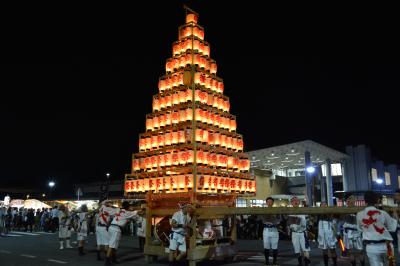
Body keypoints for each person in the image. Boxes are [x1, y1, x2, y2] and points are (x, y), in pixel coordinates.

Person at [357, 190, 398, 266]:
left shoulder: (359, 215)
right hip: (386, 245)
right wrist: (395, 215)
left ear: (365, 200)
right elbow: (392, 228)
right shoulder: (382, 213)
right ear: (377, 200)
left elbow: (360, 229)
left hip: (371, 247)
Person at [105, 201, 139, 265]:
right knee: (112, 245)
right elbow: (136, 212)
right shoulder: (127, 213)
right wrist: (141, 209)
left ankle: (113, 259)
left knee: (114, 245)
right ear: (128, 206)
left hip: (111, 227)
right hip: (116, 229)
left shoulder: (118, 210)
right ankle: (107, 260)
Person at [287, 196, 311, 266]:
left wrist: (307, 200)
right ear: (291, 202)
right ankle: (300, 262)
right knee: (296, 249)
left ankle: (307, 261)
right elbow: (289, 223)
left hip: (303, 233)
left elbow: (307, 216)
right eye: (293, 200)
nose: (295, 201)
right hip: (294, 233)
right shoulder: (289, 211)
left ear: (299, 202)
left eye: (297, 200)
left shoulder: (303, 210)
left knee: (305, 249)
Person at [343, 195, 365, 266]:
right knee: (350, 252)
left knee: (360, 250)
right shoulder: (343, 209)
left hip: (356, 231)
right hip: (348, 232)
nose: (350, 200)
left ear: (355, 200)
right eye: (348, 199)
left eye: (352, 199)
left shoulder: (359, 209)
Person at [261, 197, 280, 265]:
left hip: (274, 229)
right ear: (266, 203)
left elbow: (279, 219)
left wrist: (275, 222)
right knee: (266, 246)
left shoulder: (276, 210)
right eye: (268, 201)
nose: (269, 203)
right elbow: (261, 219)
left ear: (273, 203)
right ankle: (267, 262)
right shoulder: (263, 210)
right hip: (266, 230)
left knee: (275, 247)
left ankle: (274, 262)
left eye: (271, 202)